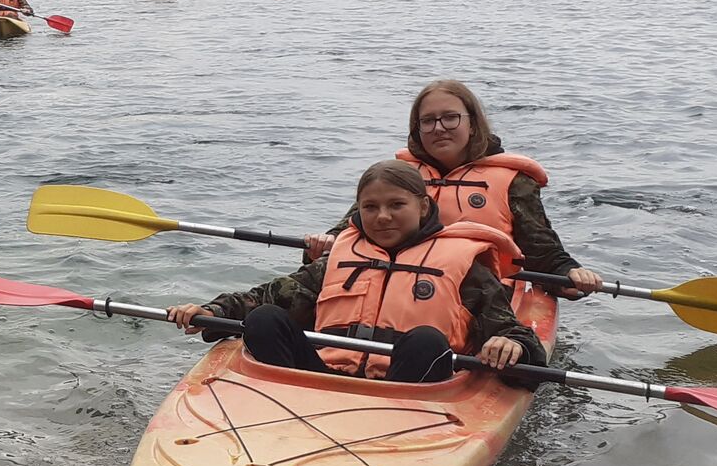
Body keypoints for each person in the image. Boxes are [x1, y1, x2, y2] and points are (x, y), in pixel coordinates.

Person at [166, 161, 546, 382]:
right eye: (370, 207)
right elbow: (266, 296)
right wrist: (212, 311)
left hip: (408, 389)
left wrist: (510, 345)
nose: (382, 217)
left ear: (423, 207)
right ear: (358, 211)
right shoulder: (341, 255)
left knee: (426, 341)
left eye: (396, 205)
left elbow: (512, 331)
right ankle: (275, 401)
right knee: (264, 318)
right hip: (318, 379)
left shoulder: (465, 266)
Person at [303, 80, 604, 297]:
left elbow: (541, 249)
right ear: (417, 129)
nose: (438, 128)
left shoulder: (514, 181)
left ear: (472, 124)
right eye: (428, 121)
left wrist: (568, 274)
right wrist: (324, 243)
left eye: (450, 118)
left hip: (476, 291)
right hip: (393, 283)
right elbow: (351, 228)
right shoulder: (399, 175)